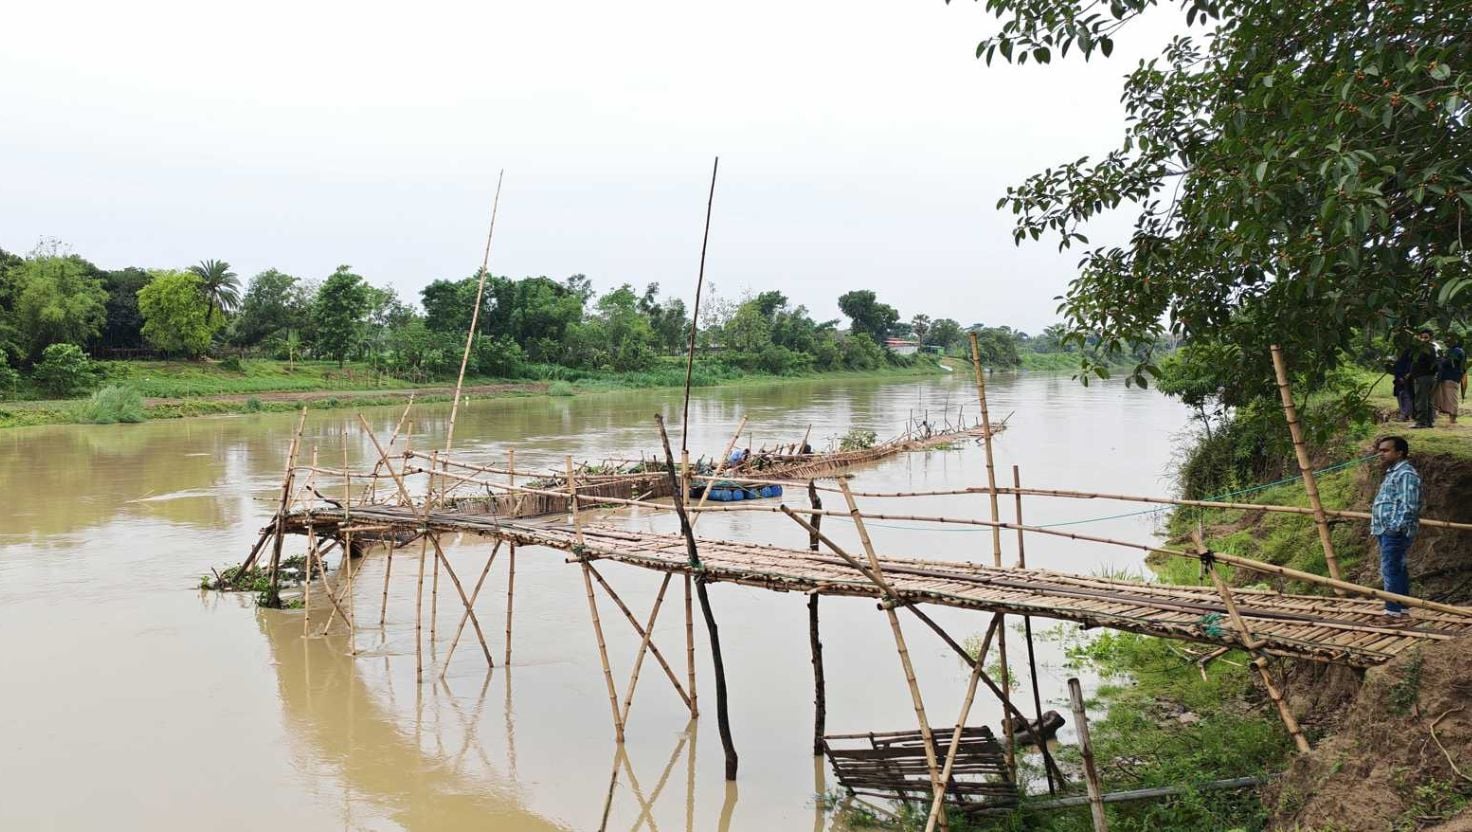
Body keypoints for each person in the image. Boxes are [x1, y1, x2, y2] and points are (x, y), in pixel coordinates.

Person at [1370, 435, 1422, 622]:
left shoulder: (1405, 474)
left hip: (1394, 531)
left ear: (1400, 453)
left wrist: (1395, 527)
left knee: (1390, 568)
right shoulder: (1393, 472)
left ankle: (1392, 611)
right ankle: (1402, 609)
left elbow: (1409, 505)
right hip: (1385, 529)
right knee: (1397, 568)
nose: (1381, 454)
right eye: (1380, 450)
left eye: (1386, 450)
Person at [1410, 328, 1440, 428]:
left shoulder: (1428, 349)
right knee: (1428, 400)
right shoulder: (1425, 348)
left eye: (1425, 337)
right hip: (1426, 376)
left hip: (1424, 377)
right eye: (1421, 337)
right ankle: (1429, 422)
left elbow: (1432, 364)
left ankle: (1421, 422)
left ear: (1430, 338)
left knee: (1421, 399)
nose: (1423, 339)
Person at [1435, 334, 1465, 426]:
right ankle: (1451, 417)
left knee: (1451, 398)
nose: (1446, 343)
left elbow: (1447, 362)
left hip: (1452, 377)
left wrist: (1440, 360)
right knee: (1448, 397)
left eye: (1448, 342)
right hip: (1449, 376)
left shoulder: (1456, 351)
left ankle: (1453, 418)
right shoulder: (1453, 350)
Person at [1390, 345, 1415, 420]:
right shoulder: (1408, 362)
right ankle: (1405, 414)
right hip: (1402, 382)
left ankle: (1405, 414)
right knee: (1404, 396)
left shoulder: (1406, 362)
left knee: (1404, 396)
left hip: (1405, 382)